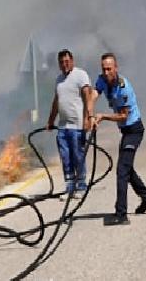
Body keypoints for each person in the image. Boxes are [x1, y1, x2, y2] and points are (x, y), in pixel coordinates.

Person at [88, 53, 146, 225]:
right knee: (127, 169)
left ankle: (121, 214)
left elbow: (124, 116)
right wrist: (90, 116)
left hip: (134, 130)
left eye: (109, 69)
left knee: (121, 170)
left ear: (116, 68)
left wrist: (102, 116)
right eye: (104, 69)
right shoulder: (102, 80)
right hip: (125, 132)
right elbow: (92, 96)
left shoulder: (123, 87)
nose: (106, 72)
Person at [46, 49, 91, 200]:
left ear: (72, 61)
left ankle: (81, 185)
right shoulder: (59, 79)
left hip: (77, 126)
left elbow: (87, 96)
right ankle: (70, 187)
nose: (64, 64)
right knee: (65, 157)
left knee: (78, 156)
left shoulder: (80, 75)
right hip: (63, 127)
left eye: (67, 61)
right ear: (59, 64)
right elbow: (56, 101)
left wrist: (87, 118)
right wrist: (51, 120)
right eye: (61, 62)